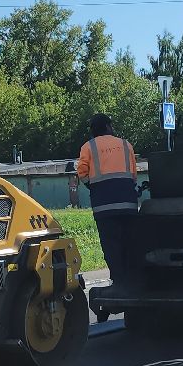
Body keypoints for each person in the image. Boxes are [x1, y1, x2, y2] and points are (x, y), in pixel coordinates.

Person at [75, 114, 140, 285]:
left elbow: (82, 173)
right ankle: (133, 279)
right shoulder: (126, 145)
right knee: (130, 243)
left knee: (111, 245)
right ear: (109, 126)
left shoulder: (87, 147)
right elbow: (133, 175)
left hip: (104, 206)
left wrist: (94, 187)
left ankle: (118, 281)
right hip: (128, 204)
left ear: (93, 130)